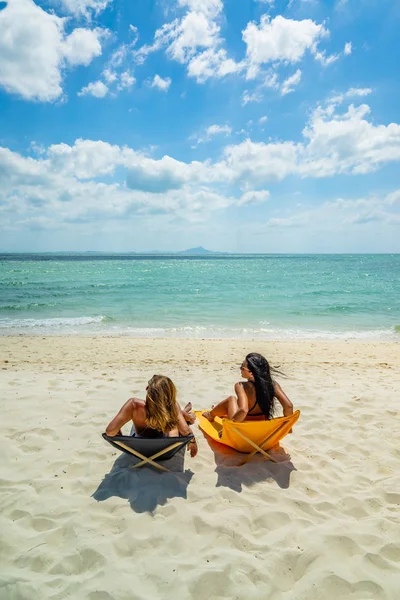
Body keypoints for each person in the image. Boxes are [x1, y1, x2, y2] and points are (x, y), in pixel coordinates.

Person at [105, 375, 198, 457]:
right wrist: (193, 442)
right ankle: (187, 415)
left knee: (170, 413)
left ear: (147, 388)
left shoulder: (134, 405)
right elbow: (186, 431)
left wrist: (119, 434)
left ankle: (185, 414)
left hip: (139, 451)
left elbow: (110, 431)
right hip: (165, 452)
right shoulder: (172, 405)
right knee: (174, 417)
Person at [203, 352, 293, 423]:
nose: (240, 369)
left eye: (242, 367)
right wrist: (287, 427)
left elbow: (243, 410)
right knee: (237, 403)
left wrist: (229, 427)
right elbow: (289, 406)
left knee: (232, 399)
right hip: (262, 424)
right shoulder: (273, 385)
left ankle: (211, 415)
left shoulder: (241, 386)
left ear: (251, 373)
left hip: (244, 426)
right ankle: (219, 412)